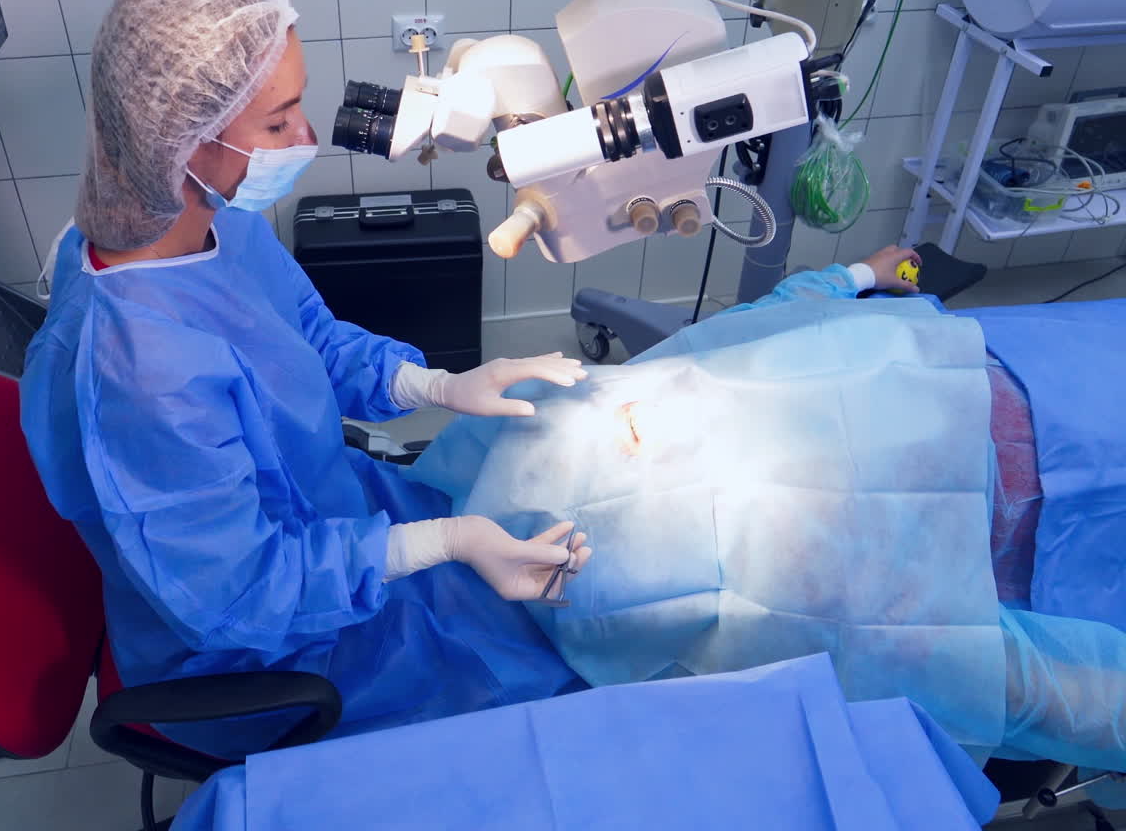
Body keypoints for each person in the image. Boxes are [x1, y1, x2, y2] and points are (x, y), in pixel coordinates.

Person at [20, 0, 592, 760]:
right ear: (179, 140)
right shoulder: (140, 370)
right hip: (266, 650)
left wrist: (438, 384)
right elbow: (240, 592)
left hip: (335, 524)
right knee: (549, 703)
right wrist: (446, 543)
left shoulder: (213, 222)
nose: (307, 140)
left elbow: (311, 341)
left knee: (536, 578)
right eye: (279, 120)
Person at [409, 246, 1126, 774]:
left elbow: (740, 334)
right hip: (1050, 433)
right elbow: (1034, 686)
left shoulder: (582, 420)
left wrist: (856, 277)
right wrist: (854, 278)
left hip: (1037, 376)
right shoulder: (803, 602)